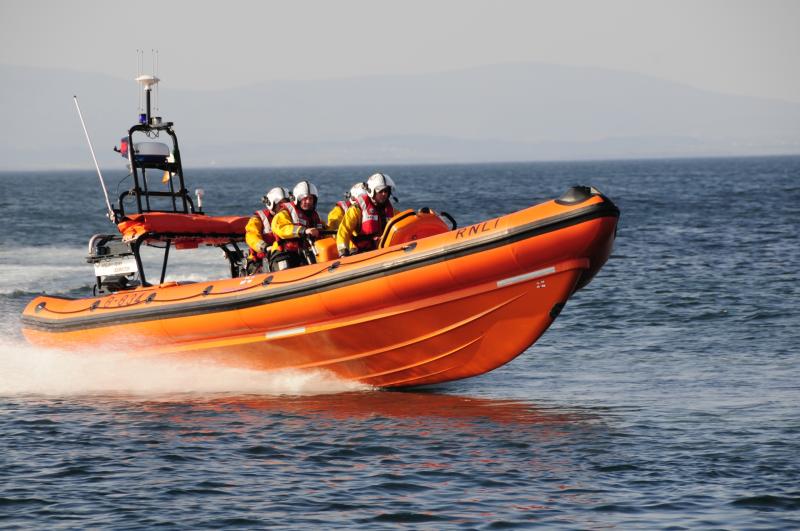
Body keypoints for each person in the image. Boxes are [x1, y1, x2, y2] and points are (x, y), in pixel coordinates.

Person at [270, 180, 329, 269]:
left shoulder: (314, 216)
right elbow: (281, 228)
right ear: (298, 199)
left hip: (305, 253)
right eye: (305, 198)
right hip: (284, 253)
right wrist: (303, 230)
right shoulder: (285, 213)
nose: (308, 201)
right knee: (286, 270)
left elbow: (325, 229)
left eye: (311, 198)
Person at [336, 172, 396, 256]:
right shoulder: (357, 209)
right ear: (372, 191)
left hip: (383, 250)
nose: (384, 194)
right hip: (361, 253)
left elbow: (400, 220)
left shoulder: (389, 209)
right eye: (381, 191)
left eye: (386, 191)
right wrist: (343, 251)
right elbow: (344, 230)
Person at [244, 186, 290, 274]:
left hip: (285, 255)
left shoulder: (291, 217)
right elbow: (251, 236)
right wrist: (265, 247)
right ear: (271, 204)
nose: (283, 207)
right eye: (280, 204)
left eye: (286, 204)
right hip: (261, 260)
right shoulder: (259, 218)